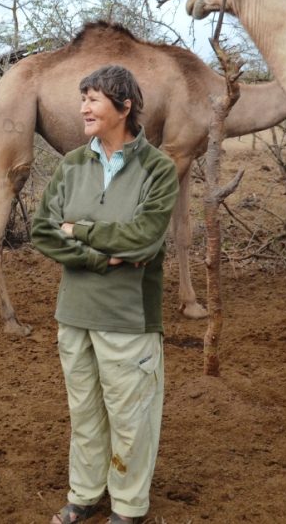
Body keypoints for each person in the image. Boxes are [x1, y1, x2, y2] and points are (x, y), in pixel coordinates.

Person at [31, 65, 179, 524]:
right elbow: (42, 231)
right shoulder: (72, 164)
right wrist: (98, 255)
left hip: (128, 316)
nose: (83, 109)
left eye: (93, 99)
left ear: (125, 105)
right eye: (83, 99)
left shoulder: (158, 168)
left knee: (131, 417)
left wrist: (80, 229)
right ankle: (84, 494)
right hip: (73, 314)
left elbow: (144, 239)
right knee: (85, 412)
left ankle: (129, 507)